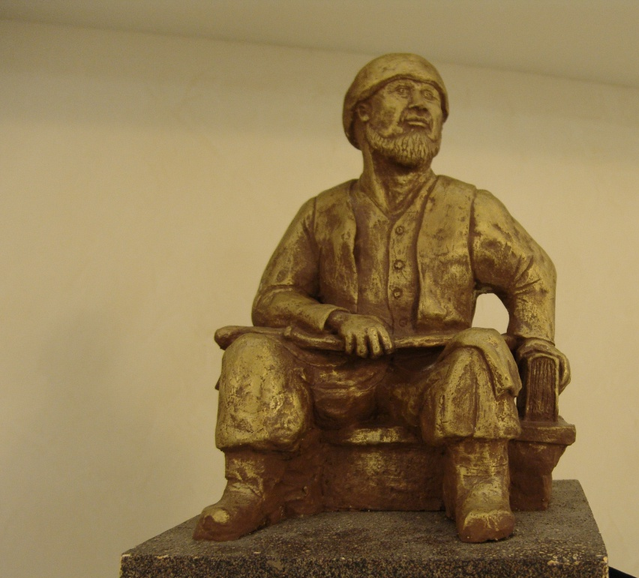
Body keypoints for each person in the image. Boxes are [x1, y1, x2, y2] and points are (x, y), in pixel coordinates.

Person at [195, 53, 569, 543]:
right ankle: (249, 488)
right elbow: (272, 298)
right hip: (336, 375)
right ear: (362, 115)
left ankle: (479, 485)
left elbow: (532, 275)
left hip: (434, 374)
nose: (421, 106)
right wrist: (335, 318)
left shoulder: (470, 206)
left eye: (431, 98)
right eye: (402, 91)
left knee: (480, 350)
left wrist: (535, 345)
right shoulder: (322, 211)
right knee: (251, 351)